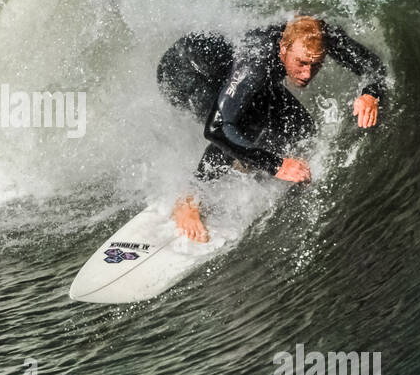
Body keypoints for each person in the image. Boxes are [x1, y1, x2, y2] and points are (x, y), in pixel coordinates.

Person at [156, 15, 387, 242]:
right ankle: (188, 199)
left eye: (316, 64)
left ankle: (245, 158)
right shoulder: (255, 61)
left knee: (300, 127)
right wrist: (276, 164)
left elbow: (374, 67)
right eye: (302, 63)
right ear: (283, 49)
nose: (308, 74)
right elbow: (216, 128)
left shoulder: (320, 36)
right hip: (184, 72)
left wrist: (370, 94)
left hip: (225, 69)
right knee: (242, 123)